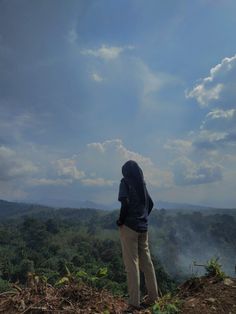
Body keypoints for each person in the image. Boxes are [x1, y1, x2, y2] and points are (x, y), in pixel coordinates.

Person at [117, 160, 159, 312]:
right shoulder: (142, 184)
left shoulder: (125, 182)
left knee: (132, 265)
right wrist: (143, 217)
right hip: (143, 228)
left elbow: (125, 203)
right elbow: (151, 204)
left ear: (125, 172)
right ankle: (154, 297)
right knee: (147, 263)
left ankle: (134, 303)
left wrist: (121, 221)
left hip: (129, 227)